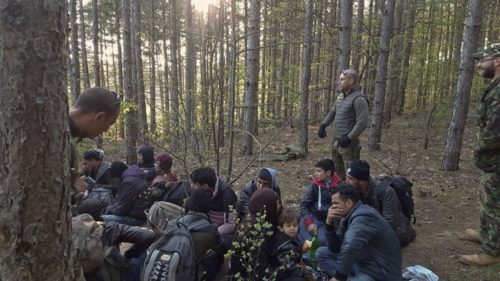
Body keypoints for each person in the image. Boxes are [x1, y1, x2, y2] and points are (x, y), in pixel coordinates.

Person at [459, 43, 500, 266]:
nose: (478, 65)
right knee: (487, 199)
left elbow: (494, 131)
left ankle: (492, 252)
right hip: (492, 159)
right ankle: (487, 234)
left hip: (495, 158)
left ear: (497, 60)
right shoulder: (494, 87)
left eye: (482, 60)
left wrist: (478, 149)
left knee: (495, 204)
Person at [316, 184, 402, 281]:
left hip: (379, 271)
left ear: (348, 203)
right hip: (362, 261)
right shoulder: (348, 216)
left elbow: (350, 246)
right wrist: (329, 223)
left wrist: (339, 277)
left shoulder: (364, 216)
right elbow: (336, 247)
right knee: (322, 253)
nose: (332, 208)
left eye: (336, 203)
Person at [346, 160, 416, 247]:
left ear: (362, 181)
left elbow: (389, 224)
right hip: (370, 228)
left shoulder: (386, 192)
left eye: (350, 179)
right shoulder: (353, 190)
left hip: (395, 231)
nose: (346, 181)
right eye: (347, 177)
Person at [69, 87, 120, 200]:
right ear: (99, 117)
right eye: (109, 124)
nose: (106, 130)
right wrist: (74, 190)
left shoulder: (69, 137)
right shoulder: (60, 140)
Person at [73, 213, 156, 281]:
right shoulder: (109, 229)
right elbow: (148, 236)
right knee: (142, 254)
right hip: (120, 273)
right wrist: (129, 255)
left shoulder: (68, 248)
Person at [317, 69, 369, 179]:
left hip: (349, 145)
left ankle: (353, 195)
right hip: (336, 141)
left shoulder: (359, 99)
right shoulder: (340, 97)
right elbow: (332, 112)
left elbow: (362, 122)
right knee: (337, 173)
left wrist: (349, 137)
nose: (338, 82)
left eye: (342, 79)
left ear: (351, 81)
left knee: (352, 175)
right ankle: (340, 193)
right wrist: (323, 125)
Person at [189, 167, 237, 280]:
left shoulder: (227, 195)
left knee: (211, 256)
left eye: (195, 184)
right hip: (205, 227)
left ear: (205, 186)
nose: (192, 186)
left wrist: (211, 233)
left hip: (223, 232)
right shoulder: (197, 193)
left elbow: (231, 225)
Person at [231, 188, 282, 280]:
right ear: (267, 207)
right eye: (277, 203)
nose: (279, 206)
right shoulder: (257, 231)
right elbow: (258, 267)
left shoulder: (254, 216)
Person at [182, 187, 228, 280]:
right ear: (209, 207)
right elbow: (223, 248)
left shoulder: (175, 223)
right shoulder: (210, 230)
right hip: (188, 273)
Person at [299, 159, 341, 246]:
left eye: (318, 171)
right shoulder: (314, 186)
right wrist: (309, 222)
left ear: (328, 173)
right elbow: (304, 205)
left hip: (331, 222)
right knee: (301, 234)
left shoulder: (340, 187)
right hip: (314, 217)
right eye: (315, 171)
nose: (315, 174)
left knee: (323, 241)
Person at [102, 161, 148, 226]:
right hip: (136, 213)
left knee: (101, 219)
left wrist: (109, 211)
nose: (114, 181)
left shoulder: (129, 182)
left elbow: (123, 208)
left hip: (135, 218)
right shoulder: (133, 175)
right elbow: (120, 200)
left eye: (114, 179)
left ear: (117, 175)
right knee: (108, 209)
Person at [271, 208, 306, 281]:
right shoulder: (283, 244)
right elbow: (287, 264)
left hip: (289, 268)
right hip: (280, 273)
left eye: (294, 225)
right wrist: (301, 272)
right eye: (288, 226)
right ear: (281, 228)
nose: (292, 228)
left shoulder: (291, 236)